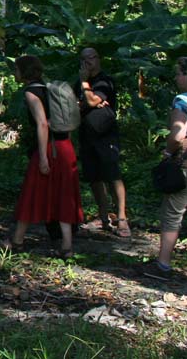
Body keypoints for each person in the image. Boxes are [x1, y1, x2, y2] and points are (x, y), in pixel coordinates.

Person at [7, 55, 84, 257]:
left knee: (32, 193)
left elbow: (42, 124)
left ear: (24, 72)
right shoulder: (48, 88)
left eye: (16, 70)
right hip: (65, 147)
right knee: (64, 194)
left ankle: (17, 241)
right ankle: (67, 245)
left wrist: (42, 157)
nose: (14, 73)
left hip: (50, 149)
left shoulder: (32, 93)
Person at [142, 56, 187, 280]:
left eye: (178, 74)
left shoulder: (183, 100)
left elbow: (178, 135)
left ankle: (163, 265)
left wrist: (169, 152)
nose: (176, 78)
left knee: (172, 213)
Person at [75, 47, 130, 238]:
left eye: (91, 58)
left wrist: (87, 90)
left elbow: (90, 102)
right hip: (86, 135)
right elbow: (79, 104)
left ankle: (122, 218)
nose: (87, 62)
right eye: (84, 59)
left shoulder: (104, 81)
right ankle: (103, 216)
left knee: (112, 174)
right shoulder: (79, 84)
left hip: (106, 135)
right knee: (94, 178)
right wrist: (88, 98)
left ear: (98, 59)